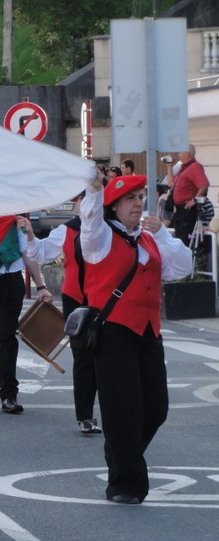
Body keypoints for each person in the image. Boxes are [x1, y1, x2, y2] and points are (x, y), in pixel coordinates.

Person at [80, 174, 191, 504]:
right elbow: (90, 221)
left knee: (156, 408)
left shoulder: (149, 239)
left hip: (148, 331)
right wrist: (94, 191)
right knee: (122, 409)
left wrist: (163, 235)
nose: (138, 204)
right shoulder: (100, 238)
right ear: (113, 207)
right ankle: (125, 484)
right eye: (129, 198)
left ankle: (118, 450)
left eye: (140, 197)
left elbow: (182, 268)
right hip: (113, 331)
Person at [18, 192, 103, 434]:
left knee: (109, 357)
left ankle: (114, 412)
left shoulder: (111, 229)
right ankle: (85, 416)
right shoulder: (68, 230)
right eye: (83, 199)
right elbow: (40, 253)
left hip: (107, 300)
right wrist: (31, 235)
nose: (87, 204)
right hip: (76, 299)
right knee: (83, 357)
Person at [0, 218, 52, 413]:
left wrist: (40, 286)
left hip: (11, 279)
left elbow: (27, 252)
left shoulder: (16, 220)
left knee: (7, 336)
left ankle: (9, 394)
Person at [166, 144, 210, 246]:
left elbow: (204, 185)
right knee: (178, 238)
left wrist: (194, 200)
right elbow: (171, 183)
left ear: (188, 153)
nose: (178, 155)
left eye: (180, 152)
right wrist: (169, 167)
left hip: (187, 210)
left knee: (184, 240)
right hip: (180, 211)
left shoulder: (195, 167)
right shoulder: (183, 168)